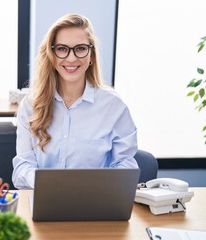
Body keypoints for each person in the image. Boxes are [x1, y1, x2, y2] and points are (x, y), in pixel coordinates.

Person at [12, 14, 138, 190]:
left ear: (91, 55)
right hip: (44, 201)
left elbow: (126, 165)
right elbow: (22, 167)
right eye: (62, 49)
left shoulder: (113, 106)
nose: (71, 58)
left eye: (80, 49)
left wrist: (98, 186)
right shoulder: (31, 105)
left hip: (95, 202)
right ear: (52, 55)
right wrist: (48, 185)